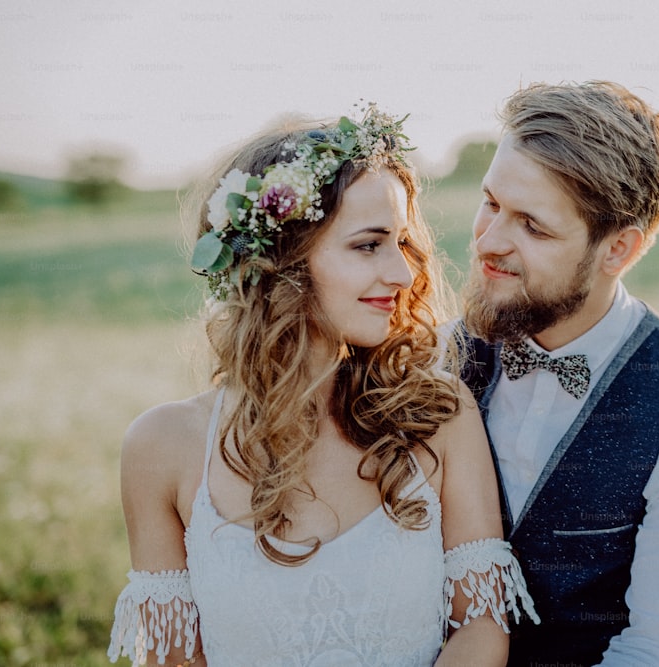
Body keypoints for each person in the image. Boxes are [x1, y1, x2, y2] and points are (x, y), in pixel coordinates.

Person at [107, 104, 537, 666]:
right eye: (368, 245)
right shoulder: (161, 448)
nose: (404, 274)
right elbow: (175, 660)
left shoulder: (439, 415)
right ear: (280, 260)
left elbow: (480, 629)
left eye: (402, 243)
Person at [459, 81, 659, 666]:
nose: (489, 242)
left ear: (616, 251)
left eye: (532, 226)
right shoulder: (432, 359)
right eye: (491, 203)